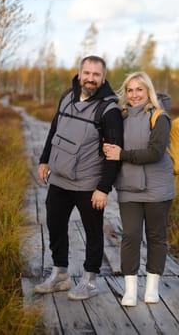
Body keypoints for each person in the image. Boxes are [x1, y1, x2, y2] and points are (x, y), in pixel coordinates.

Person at [34, 55, 123, 300]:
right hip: (60, 178)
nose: (91, 78)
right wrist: (44, 159)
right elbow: (55, 129)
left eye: (96, 74)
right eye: (87, 73)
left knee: (93, 232)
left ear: (103, 77)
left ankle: (90, 282)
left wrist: (103, 188)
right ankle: (60, 275)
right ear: (79, 73)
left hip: (88, 183)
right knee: (55, 225)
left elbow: (114, 154)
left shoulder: (109, 109)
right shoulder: (66, 96)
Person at [103, 71, 176, 306]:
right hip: (129, 187)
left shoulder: (159, 117)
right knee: (130, 236)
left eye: (139, 89)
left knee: (156, 237)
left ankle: (152, 287)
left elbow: (155, 153)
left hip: (158, 188)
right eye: (130, 90)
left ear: (148, 91)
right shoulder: (120, 117)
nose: (134, 95)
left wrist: (121, 154)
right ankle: (131, 289)